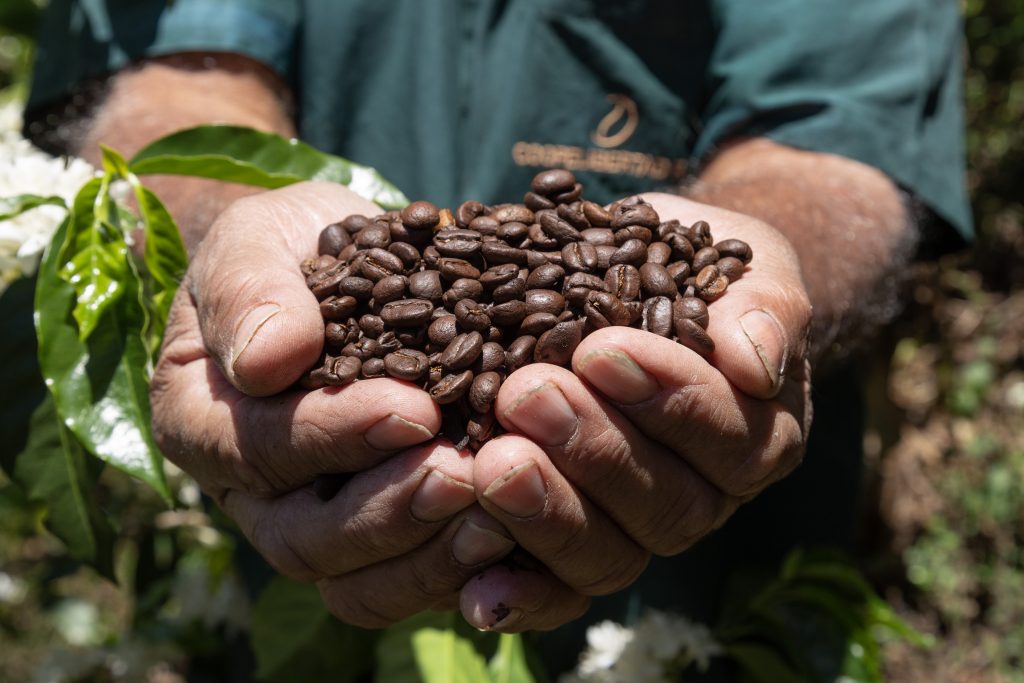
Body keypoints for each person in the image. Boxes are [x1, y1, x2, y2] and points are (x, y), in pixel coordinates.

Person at [25, 0, 970, 676]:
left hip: (703, 586)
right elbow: (179, 81)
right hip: (317, 543)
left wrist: (759, 294)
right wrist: (234, 243)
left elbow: (837, 135)